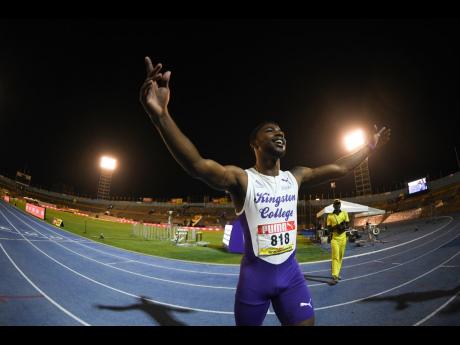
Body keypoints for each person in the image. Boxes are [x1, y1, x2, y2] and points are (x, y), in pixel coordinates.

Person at [139, 57, 391, 326]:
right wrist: (161, 116)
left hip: (292, 277)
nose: (280, 133)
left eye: (282, 131)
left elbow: (340, 168)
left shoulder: (296, 176)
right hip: (254, 282)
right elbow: (197, 166)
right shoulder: (242, 180)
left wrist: (370, 147)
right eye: (271, 130)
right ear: (254, 144)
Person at [326, 199, 350, 285]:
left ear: (340, 205)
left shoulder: (344, 213)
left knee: (340, 257)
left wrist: (343, 227)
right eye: (335, 204)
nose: (337, 205)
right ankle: (335, 276)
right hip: (335, 239)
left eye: (338, 204)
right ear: (333, 206)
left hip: (343, 239)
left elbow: (347, 225)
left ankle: (337, 273)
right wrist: (337, 227)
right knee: (335, 257)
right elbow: (328, 230)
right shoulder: (330, 216)